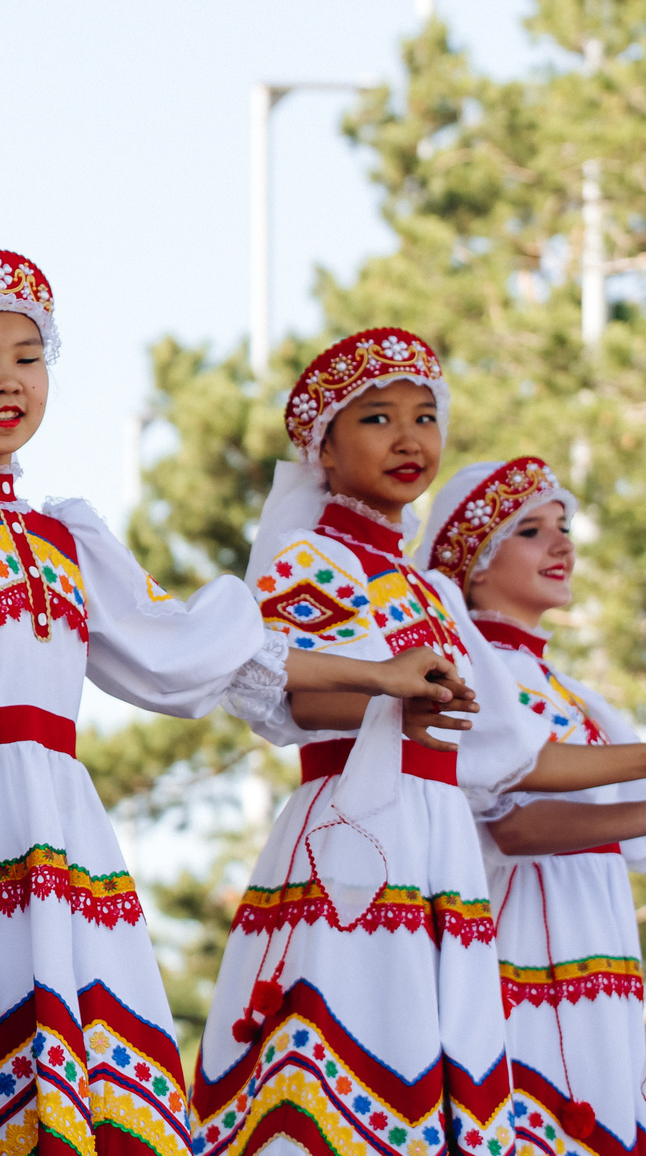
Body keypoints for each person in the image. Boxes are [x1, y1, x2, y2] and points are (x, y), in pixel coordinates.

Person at [0, 256, 463, 1156]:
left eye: (29, 357)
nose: (9, 379)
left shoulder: (63, 536)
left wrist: (381, 677)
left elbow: (207, 655)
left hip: (53, 835)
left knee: (75, 1093)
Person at [194, 332, 646, 1156]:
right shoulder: (313, 558)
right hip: (357, 828)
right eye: (377, 418)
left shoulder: (431, 590)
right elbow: (282, 690)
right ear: (324, 449)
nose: (409, 438)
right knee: (347, 1067)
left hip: (438, 846)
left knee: (435, 1089)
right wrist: (383, 684)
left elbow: (517, 761)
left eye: (425, 416)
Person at [429, 457, 646, 1155]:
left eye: (564, 527)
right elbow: (514, 827)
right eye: (531, 530)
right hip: (525, 946)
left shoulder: (581, 697)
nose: (563, 545)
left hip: (597, 950)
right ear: (476, 565)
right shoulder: (476, 674)